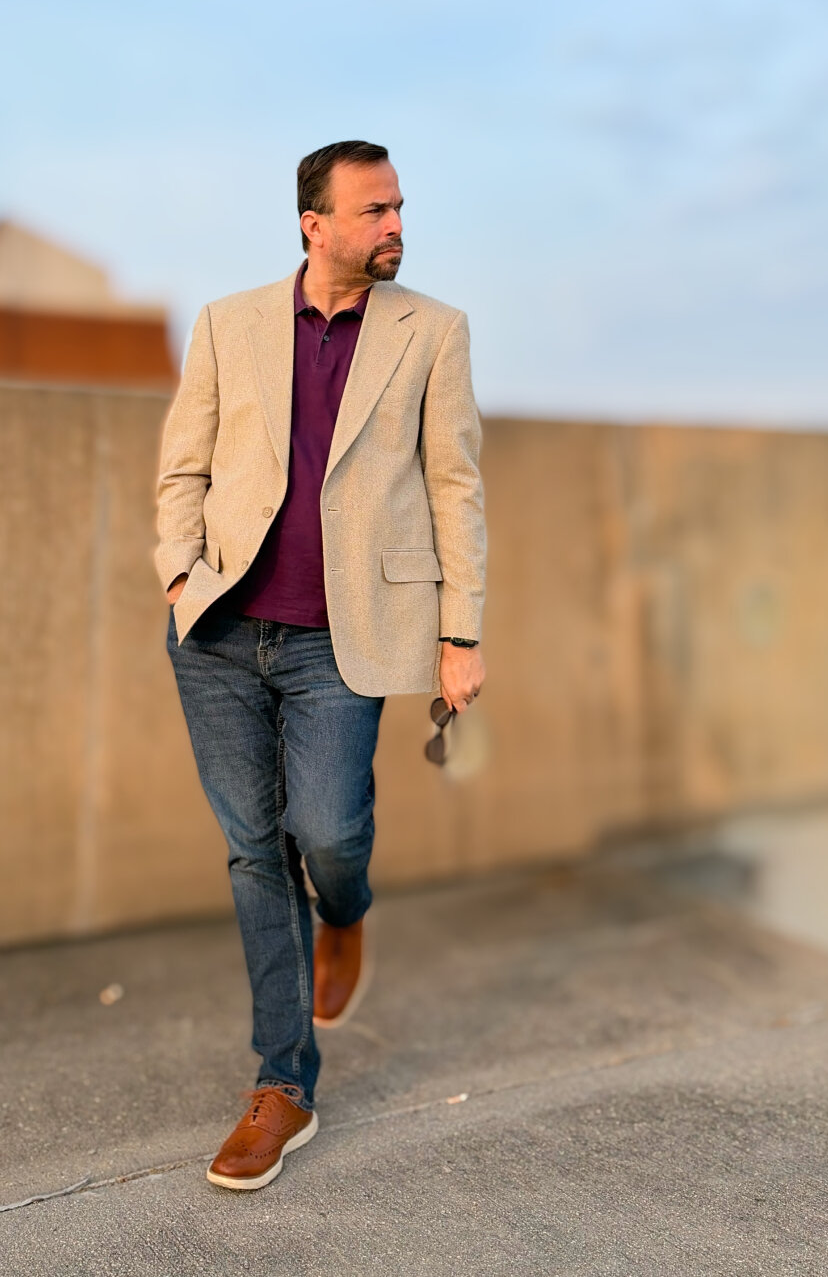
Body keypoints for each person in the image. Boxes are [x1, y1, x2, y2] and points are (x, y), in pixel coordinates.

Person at [154, 140, 487, 1190]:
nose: (395, 226)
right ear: (316, 225)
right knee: (256, 852)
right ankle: (283, 1083)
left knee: (330, 834)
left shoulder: (432, 330)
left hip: (344, 638)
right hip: (218, 632)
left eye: (398, 208)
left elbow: (454, 485)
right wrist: (178, 573)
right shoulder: (228, 322)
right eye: (374, 210)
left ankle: (345, 911)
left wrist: (461, 632)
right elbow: (183, 464)